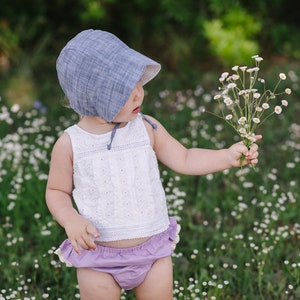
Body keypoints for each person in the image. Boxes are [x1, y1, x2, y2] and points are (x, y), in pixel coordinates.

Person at [45, 29, 261, 300]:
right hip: (97, 257)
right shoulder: (71, 143)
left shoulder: (147, 127)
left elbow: (184, 158)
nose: (139, 94)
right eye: (125, 91)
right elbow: (56, 191)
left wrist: (227, 157)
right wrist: (71, 220)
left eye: (138, 84)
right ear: (96, 98)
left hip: (152, 252)